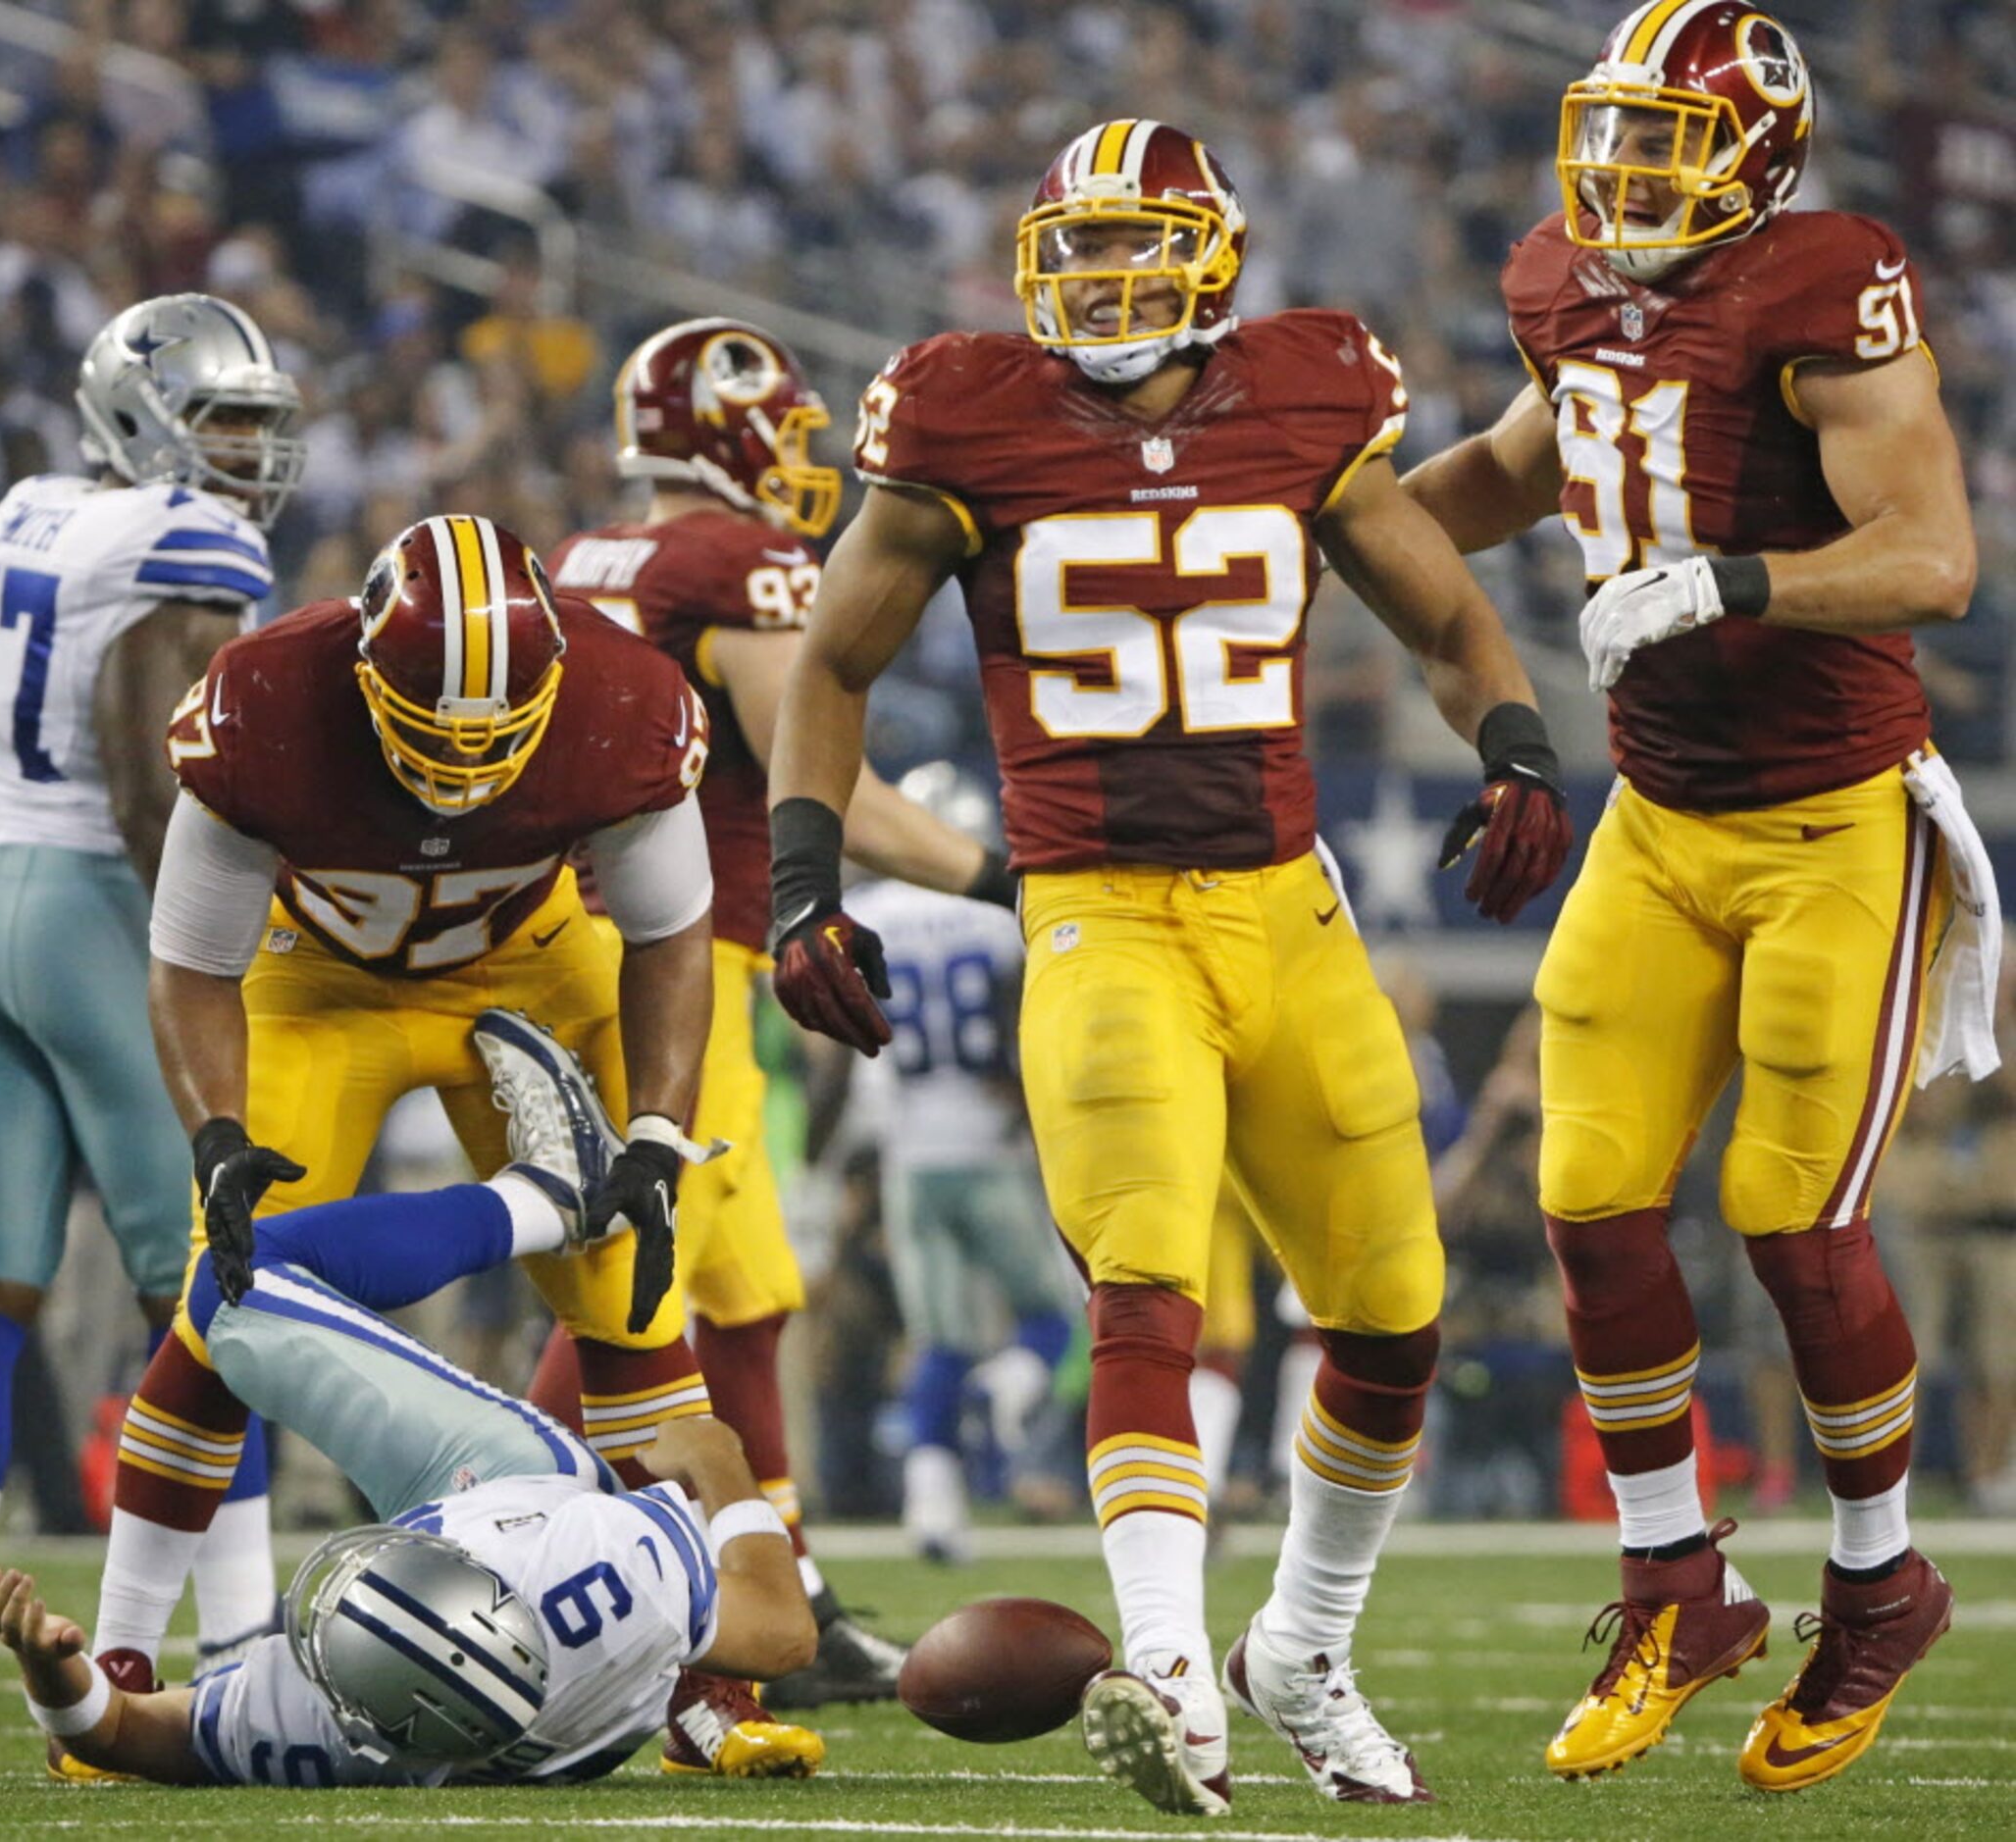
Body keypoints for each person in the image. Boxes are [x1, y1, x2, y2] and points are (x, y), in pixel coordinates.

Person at [766, 119, 1572, 1813]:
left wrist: (1512, 741)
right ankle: (1170, 1659)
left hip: (1286, 907)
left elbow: (1436, 609)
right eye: (1073, 251)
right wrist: (799, 880)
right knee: (1147, 1281)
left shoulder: (1308, 392)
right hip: (1094, 905)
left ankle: (1302, 1644)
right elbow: (829, 665)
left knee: (1394, 1317)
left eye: (1136, 248)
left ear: (1211, 263)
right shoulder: (963, 415)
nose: (1100, 283)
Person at [1399, 0, 1999, 1792]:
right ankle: (1678, 1577)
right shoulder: (1565, 288)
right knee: (1582, 1187)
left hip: (1833, 825)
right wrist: (1333, 533)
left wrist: (1725, 581)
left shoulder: (1827, 282)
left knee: (1786, 1213)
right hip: (1659, 822)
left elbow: (1937, 555)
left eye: (1664, 139)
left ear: (1756, 156)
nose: (1623, 170)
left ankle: (1881, 1583)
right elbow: (1525, 462)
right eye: (1614, 130)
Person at [110, 511, 817, 1775]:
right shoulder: (265, 702)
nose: (466, 767)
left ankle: (702, 1693)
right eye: (431, 732)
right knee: (224, 1297)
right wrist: (214, 1134)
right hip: (313, 978)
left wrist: (656, 1130)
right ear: (367, 677)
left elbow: (666, 942)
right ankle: (119, 1660)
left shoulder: (624, 706)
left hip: (528, 972)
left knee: (631, 1295)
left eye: (499, 736)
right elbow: (189, 961)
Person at [543, 319, 1015, 1703]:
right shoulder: (735, 563)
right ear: (722, 427)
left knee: (743, 1296)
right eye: (784, 427)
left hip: (587, 939)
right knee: (641, 1285)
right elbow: (833, 784)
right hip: (687, 962)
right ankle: (482, 1518)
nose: (799, 456)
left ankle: (784, 1581)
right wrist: (1007, 873)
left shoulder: (584, 559)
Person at [0, 1009, 818, 1788]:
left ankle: (533, 1201)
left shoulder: (343, 1716)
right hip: (516, 1489)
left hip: (532, 1662)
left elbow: (115, 1733)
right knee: (239, 1285)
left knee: (231, 1282)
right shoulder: (598, 1575)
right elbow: (785, 1628)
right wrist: (720, 1461)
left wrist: (53, 1674)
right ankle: (549, 1196)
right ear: (461, 1560)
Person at [0, 293, 303, 1737]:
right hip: (93, 903)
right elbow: (143, 763)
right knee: (202, 1276)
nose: (247, 450)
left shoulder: (21, 515)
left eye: (254, 422)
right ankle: (238, 1625)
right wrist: (197, 928)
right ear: (145, 414)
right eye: (225, 420)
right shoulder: (192, 541)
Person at [842, 762, 1075, 1565]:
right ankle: (1007, 1386)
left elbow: (839, 1058)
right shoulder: (996, 914)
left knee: (939, 1337)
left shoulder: (865, 912)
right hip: (993, 1146)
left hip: (911, 1156)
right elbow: (1029, 1024)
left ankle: (932, 1510)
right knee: (1050, 1319)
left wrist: (825, 1169)